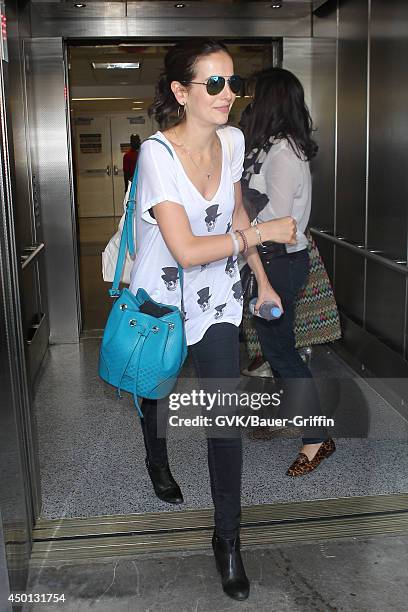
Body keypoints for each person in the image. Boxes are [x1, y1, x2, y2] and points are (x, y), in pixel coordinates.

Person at [128, 40, 296, 601]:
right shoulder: (156, 154)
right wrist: (265, 238)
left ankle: (228, 538)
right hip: (164, 297)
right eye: (215, 84)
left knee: (224, 420)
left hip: (219, 297)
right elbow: (184, 249)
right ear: (181, 92)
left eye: (234, 83)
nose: (229, 95)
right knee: (159, 390)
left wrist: (263, 279)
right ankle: (157, 457)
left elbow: (236, 212)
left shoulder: (233, 139)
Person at [241, 67, 336, 477]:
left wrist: (238, 215)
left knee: (282, 353)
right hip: (276, 260)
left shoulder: (282, 154)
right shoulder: (276, 148)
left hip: (279, 262)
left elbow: (277, 219)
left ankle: (317, 439)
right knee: (278, 351)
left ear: (270, 102)